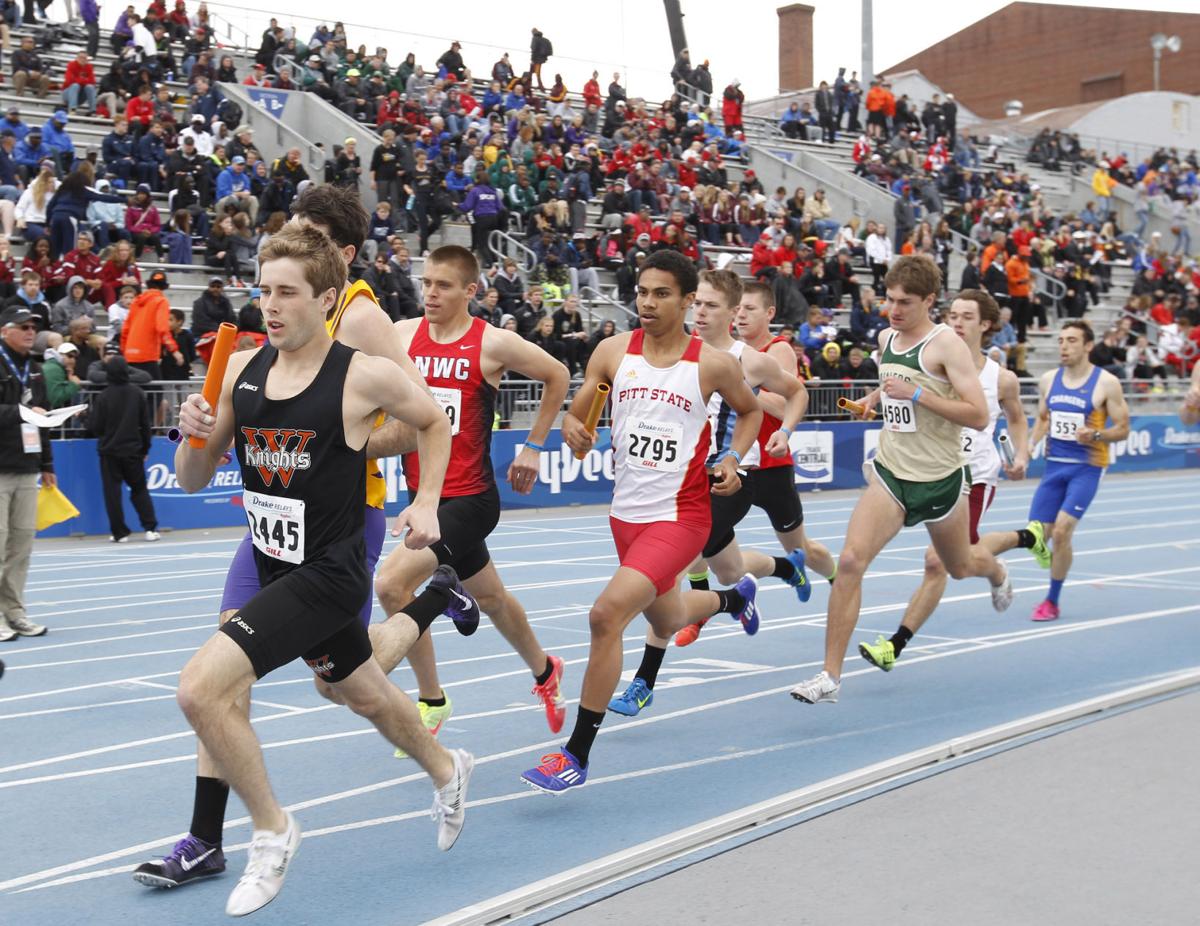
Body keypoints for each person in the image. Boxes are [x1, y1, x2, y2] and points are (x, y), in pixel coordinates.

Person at [132, 184, 441, 888]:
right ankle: (206, 837)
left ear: (341, 259)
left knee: (348, 685)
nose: (289, 250)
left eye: (308, 238)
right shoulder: (266, 336)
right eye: (284, 238)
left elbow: (414, 420)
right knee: (225, 668)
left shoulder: (362, 322)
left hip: (339, 522)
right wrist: (201, 435)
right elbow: (194, 467)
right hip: (272, 525)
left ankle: (428, 612)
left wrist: (347, 438)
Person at [520, 250, 763, 793]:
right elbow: (580, 414)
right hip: (625, 515)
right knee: (668, 617)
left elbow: (751, 411)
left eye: (661, 294)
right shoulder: (612, 352)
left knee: (606, 615)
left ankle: (576, 754)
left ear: (685, 302)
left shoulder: (712, 364)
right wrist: (573, 427)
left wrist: (731, 459)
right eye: (642, 291)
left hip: (681, 516)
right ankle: (732, 599)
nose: (647, 303)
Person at [365, 244, 572, 756]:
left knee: (391, 584)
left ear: (470, 291)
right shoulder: (402, 335)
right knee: (495, 599)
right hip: (426, 497)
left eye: (443, 285)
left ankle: (431, 699)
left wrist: (533, 445)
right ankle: (546, 670)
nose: (430, 293)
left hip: (473, 499)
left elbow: (558, 376)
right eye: (426, 283)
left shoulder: (493, 344)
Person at [790, 256, 1014, 705]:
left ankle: (997, 569)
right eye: (889, 300)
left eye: (905, 302)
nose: (893, 309)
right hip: (892, 472)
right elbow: (893, 381)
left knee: (959, 566)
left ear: (930, 301)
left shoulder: (946, 345)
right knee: (851, 561)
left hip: (942, 479)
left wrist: (918, 395)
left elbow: (978, 414)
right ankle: (829, 676)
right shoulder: (885, 337)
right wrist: (873, 399)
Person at [611, 269, 813, 714]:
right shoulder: (673, 353)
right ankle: (783, 568)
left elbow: (797, 393)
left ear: (733, 312)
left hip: (725, 485)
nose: (699, 312)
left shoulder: (748, 360)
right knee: (729, 569)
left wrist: (786, 432)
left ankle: (643, 682)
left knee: (666, 577)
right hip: (672, 484)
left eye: (710, 306)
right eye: (696, 303)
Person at [859, 289, 1032, 671]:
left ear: (985, 325)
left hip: (973, 475)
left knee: (938, 562)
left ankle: (895, 645)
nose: (956, 322)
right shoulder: (930, 353)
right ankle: (1009, 554)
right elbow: (900, 382)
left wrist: (1021, 455)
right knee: (959, 564)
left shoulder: (1000, 378)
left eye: (967, 316)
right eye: (952, 314)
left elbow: (1017, 418)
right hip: (921, 467)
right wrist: (874, 397)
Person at [674, 278, 840, 648]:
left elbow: (787, 402)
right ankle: (705, 610)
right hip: (729, 466)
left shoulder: (772, 353)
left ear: (768, 313)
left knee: (802, 548)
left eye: (750, 309)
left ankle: (835, 580)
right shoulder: (705, 351)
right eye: (741, 308)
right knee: (710, 552)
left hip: (771, 465)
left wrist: (740, 388)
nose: (744, 315)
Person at [1020, 320, 1130, 622]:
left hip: (1087, 467)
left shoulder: (1106, 383)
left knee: (1063, 530)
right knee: (1038, 534)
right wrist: (1030, 445)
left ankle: (1051, 601)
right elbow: (1043, 418)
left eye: (1071, 340)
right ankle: (1051, 554)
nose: (1063, 346)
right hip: (1054, 467)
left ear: (1088, 346)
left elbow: (1122, 429)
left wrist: (1096, 435)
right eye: (1060, 341)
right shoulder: (1048, 380)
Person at [0, 305, 53, 642]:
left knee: (21, 545)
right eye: (23, 326)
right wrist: (22, 412)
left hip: (27, 468)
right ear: (5, 330)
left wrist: (48, 465)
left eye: (33, 326)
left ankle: (15, 611)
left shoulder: (35, 370)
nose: (30, 331)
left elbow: (42, 420)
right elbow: (27, 413)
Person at [87, 354, 159, 543]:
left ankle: (119, 533)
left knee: (112, 493)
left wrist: (86, 418)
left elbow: (96, 427)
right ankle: (150, 528)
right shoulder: (137, 393)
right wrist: (145, 448)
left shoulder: (103, 397)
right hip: (133, 450)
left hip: (109, 452)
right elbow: (145, 424)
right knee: (139, 489)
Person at [121, 269, 180, 380]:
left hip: (130, 355)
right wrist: (174, 350)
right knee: (155, 394)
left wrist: (125, 351)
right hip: (147, 356)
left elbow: (125, 330)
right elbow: (162, 328)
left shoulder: (136, 302)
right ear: (164, 286)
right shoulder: (161, 301)